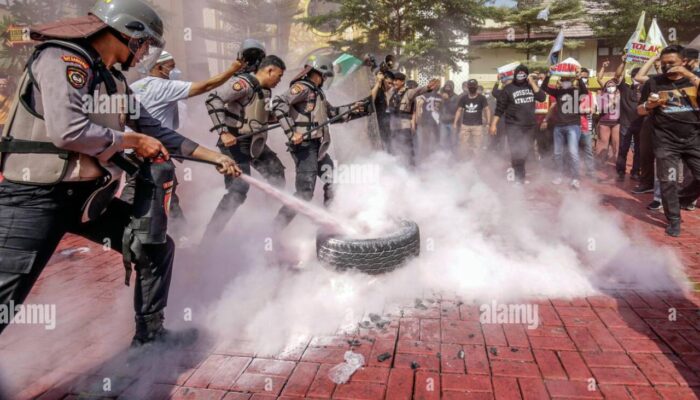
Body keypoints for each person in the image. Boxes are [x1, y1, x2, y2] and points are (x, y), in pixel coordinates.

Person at [0, 0, 241, 342]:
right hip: (34, 198)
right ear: (130, 35)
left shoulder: (113, 81)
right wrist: (130, 140)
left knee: (154, 248)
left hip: (85, 201)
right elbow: (67, 131)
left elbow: (154, 130)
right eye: (145, 45)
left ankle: (150, 338)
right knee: (6, 293)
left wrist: (211, 156)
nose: (145, 54)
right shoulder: (62, 59)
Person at [125, 50, 247, 239]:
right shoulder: (162, 86)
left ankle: (181, 235)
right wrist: (233, 69)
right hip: (151, 152)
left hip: (133, 150)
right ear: (158, 67)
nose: (174, 70)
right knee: (136, 194)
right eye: (171, 66)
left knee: (167, 192)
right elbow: (206, 86)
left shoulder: (134, 86)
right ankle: (126, 234)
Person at [272, 65, 372, 228]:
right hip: (305, 147)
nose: (325, 79)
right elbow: (278, 103)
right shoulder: (302, 88)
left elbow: (332, 114)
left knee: (332, 180)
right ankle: (274, 229)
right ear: (315, 73)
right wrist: (291, 133)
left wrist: (356, 109)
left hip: (318, 147)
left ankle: (330, 221)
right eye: (323, 75)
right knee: (305, 192)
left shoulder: (318, 93)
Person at [202, 55, 288, 239]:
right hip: (234, 144)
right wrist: (223, 132)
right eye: (279, 76)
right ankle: (209, 238)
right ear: (269, 70)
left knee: (277, 174)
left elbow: (259, 115)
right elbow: (213, 99)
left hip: (255, 142)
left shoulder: (265, 91)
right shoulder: (243, 84)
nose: (279, 80)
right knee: (238, 190)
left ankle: (266, 226)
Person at [637, 45, 700, 237]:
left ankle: (682, 199)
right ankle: (673, 219)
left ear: (684, 62)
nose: (667, 67)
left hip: (693, 138)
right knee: (668, 181)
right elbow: (639, 110)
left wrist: (690, 76)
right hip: (665, 141)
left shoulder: (694, 80)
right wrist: (649, 105)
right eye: (663, 64)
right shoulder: (654, 82)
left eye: (671, 63)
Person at [489, 64, 546, 184]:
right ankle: (519, 178)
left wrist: (532, 82)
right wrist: (493, 124)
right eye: (519, 74)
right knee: (516, 151)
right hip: (513, 126)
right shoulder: (508, 88)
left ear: (527, 75)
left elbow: (542, 97)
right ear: (515, 75)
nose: (521, 76)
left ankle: (519, 173)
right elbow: (500, 108)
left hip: (529, 126)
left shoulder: (531, 87)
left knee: (525, 151)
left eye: (523, 74)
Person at [541, 68, 588, 189]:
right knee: (557, 153)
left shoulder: (575, 91)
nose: (565, 82)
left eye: (567, 80)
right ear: (560, 81)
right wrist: (548, 75)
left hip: (573, 126)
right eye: (563, 80)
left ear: (571, 81)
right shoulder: (558, 92)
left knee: (573, 153)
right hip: (558, 127)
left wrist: (578, 78)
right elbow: (544, 88)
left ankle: (575, 178)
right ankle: (558, 176)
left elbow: (585, 91)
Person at [385, 72, 440, 165]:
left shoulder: (409, 92)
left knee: (408, 147)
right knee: (395, 146)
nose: (394, 82)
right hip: (394, 124)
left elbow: (418, 91)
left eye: (397, 80)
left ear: (402, 82)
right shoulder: (392, 92)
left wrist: (428, 87)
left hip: (405, 124)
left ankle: (412, 166)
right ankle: (397, 166)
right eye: (394, 80)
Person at [454, 79, 491, 159]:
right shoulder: (464, 98)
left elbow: (487, 109)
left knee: (477, 147)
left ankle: (476, 164)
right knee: (463, 146)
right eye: (470, 87)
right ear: (468, 87)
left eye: (473, 87)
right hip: (465, 125)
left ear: (476, 87)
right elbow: (459, 110)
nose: (472, 88)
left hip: (477, 126)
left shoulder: (482, 98)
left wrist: (488, 123)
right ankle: (464, 162)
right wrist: (454, 123)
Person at [595, 78, 622, 167]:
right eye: (609, 86)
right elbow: (601, 108)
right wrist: (613, 102)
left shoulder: (620, 95)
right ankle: (599, 163)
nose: (611, 87)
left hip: (617, 122)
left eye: (613, 85)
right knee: (603, 143)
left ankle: (617, 163)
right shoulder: (601, 95)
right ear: (606, 88)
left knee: (616, 143)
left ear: (616, 87)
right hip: (604, 122)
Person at [415, 82, 443, 161]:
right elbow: (418, 104)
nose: (437, 86)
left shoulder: (440, 97)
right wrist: (418, 117)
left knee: (435, 141)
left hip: (436, 122)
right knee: (426, 141)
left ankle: (434, 158)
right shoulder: (425, 95)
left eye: (438, 85)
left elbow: (442, 108)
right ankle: (425, 159)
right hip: (426, 121)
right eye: (435, 85)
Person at [578, 68, 596, 178]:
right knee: (572, 151)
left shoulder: (590, 94)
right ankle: (573, 171)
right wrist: (583, 110)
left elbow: (592, 109)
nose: (584, 79)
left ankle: (590, 172)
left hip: (585, 126)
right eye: (581, 77)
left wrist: (587, 110)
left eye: (585, 77)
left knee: (588, 150)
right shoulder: (572, 92)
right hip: (573, 126)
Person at [371, 70, 394, 151]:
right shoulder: (377, 90)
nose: (391, 86)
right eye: (389, 83)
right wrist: (378, 82)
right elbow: (371, 99)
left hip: (386, 129)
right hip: (377, 128)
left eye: (392, 84)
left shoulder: (386, 93)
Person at [439, 81, 459, 152]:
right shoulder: (441, 96)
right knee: (442, 142)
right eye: (446, 86)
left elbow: (454, 109)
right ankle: (443, 157)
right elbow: (439, 109)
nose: (447, 88)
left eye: (449, 86)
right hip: (443, 122)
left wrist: (447, 100)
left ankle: (453, 158)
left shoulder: (456, 97)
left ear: (452, 88)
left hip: (452, 122)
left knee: (453, 142)